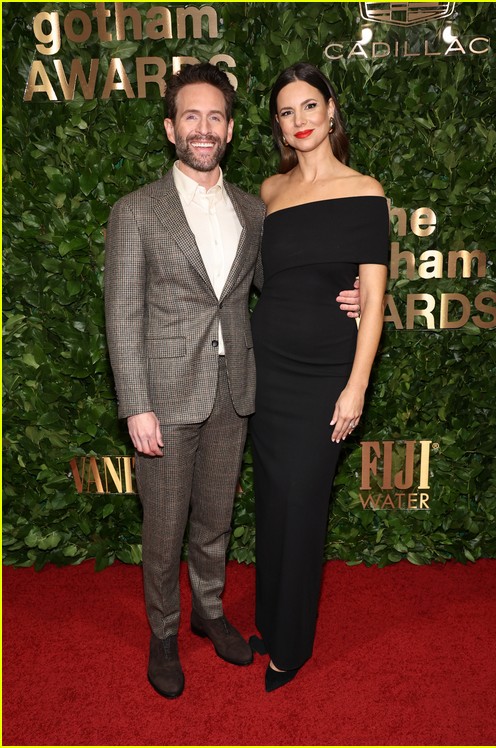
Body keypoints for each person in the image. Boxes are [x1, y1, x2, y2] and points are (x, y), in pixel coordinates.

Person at [104, 62, 361, 699]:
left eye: (214, 116)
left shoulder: (254, 208)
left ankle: (209, 612)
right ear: (170, 128)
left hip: (238, 391)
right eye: (190, 116)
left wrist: (349, 292)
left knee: (215, 518)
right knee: (164, 524)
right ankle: (164, 632)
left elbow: (282, 285)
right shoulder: (136, 211)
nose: (202, 127)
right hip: (165, 397)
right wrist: (135, 404)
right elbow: (121, 313)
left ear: (230, 129)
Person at [249, 62, 389, 692]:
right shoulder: (268, 193)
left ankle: (293, 649)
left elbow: (375, 301)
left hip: (326, 375)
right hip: (267, 370)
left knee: (304, 506)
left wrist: (355, 386)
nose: (299, 121)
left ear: (332, 110)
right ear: (278, 126)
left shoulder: (366, 190)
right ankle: (271, 624)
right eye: (286, 112)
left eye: (309, 106)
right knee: (274, 502)